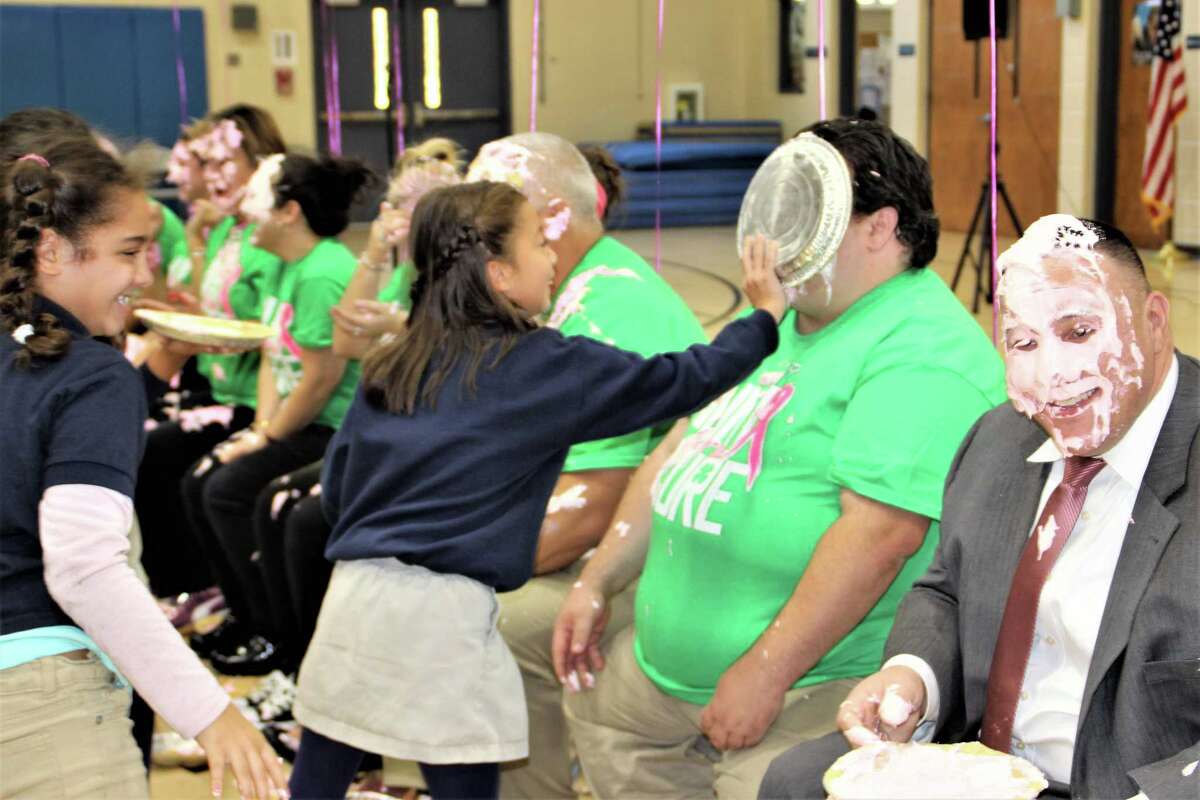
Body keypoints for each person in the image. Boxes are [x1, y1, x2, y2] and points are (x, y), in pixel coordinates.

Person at [551, 118, 1008, 800]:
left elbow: (881, 535)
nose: (781, 235)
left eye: (808, 212)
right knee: (585, 698)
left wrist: (767, 669)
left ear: (879, 228)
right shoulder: (785, 321)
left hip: (809, 688)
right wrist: (598, 580)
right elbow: (684, 445)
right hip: (660, 677)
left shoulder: (923, 349)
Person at [287, 179, 788, 800]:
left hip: (352, 607)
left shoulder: (396, 360)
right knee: (465, 778)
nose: (554, 256)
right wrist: (763, 316)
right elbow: (683, 380)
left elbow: (336, 490)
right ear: (498, 274)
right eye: (537, 242)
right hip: (446, 623)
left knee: (319, 775)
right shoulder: (539, 365)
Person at [759, 215, 1199, 800]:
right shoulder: (998, 437)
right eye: (1024, 343)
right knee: (793, 783)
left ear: (1154, 321)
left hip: (1134, 785)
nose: (1053, 374)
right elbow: (946, 589)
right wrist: (911, 678)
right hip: (977, 764)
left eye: (1079, 331)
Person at [0, 138, 286, 800]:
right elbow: (84, 566)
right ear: (49, 252)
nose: (142, 276)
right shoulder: (88, 376)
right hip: (41, 706)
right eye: (127, 252)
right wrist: (211, 714)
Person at [466, 131, 707, 799]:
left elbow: (593, 507)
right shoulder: (559, 292)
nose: (471, 232)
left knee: (484, 616)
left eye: (485, 214)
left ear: (550, 217)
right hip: (607, 537)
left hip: (651, 556)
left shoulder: (607, 306)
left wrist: (466, 555)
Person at [183, 153, 375, 676]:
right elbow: (273, 355)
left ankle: (278, 635)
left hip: (327, 426)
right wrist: (261, 430)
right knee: (202, 482)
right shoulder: (288, 267)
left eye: (256, 198)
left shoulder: (324, 274)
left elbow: (320, 380)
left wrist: (272, 436)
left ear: (288, 211)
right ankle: (248, 617)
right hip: (290, 419)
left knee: (233, 492)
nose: (243, 207)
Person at [136, 104, 287, 602]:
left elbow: (269, 325)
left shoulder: (270, 235)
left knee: (161, 453)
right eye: (208, 163)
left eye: (222, 163)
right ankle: (183, 584)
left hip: (250, 399)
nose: (209, 175)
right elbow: (214, 308)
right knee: (149, 445)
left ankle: (201, 586)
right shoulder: (224, 227)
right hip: (219, 384)